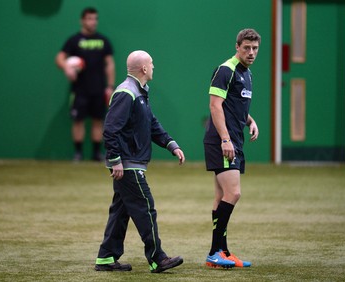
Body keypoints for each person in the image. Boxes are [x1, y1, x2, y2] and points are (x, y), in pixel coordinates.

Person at [94, 50, 185, 273]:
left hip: (130, 162)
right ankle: (158, 258)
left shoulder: (139, 92)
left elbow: (151, 123)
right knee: (146, 208)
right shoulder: (127, 92)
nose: (154, 67)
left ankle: (106, 258)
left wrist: (171, 144)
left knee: (120, 211)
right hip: (128, 164)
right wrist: (115, 160)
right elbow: (110, 129)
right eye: (151, 64)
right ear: (144, 69)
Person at [203, 28, 261, 268]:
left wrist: (250, 120)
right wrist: (225, 139)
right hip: (222, 140)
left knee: (221, 197)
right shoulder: (226, 70)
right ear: (237, 46)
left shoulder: (247, 74)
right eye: (246, 47)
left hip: (234, 138)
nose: (251, 52)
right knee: (234, 193)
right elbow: (216, 106)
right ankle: (215, 252)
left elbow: (234, 105)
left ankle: (221, 253)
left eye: (255, 48)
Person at [55, 7, 115, 161]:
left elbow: (109, 64)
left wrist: (110, 86)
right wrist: (67, 67)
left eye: (95, 18)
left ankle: (96, 154)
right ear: (82, 20)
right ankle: (78, 153)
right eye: (89, 18)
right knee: (78, 121)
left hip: (99, 88)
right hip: (79, 89)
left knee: (98, 121)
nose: (93, 22)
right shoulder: (74, 40)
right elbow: (59, 58)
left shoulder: (103, 41)